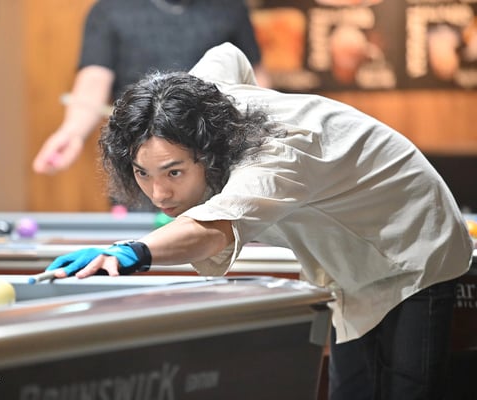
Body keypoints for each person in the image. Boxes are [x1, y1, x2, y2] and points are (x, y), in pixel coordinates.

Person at [41, 42, 474, 399]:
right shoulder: (200, 101)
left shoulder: (274, 157)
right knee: (353, 391)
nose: (159, 195)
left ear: (207, 152)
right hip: (348, 255)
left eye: (173, 173)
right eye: (142, 173)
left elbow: (211, 230)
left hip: (413, 241)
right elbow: (227, 53)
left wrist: (131, 251)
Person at [32, 0, 270, 175]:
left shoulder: (231, 8)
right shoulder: (108, 10)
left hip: (214, 157)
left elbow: (254, 77)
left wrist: (263, 134)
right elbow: (93, 80)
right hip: (140, 157)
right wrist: (71, 133)